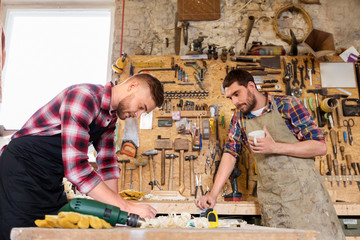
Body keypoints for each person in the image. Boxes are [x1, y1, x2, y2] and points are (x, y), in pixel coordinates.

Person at [0, 73, 164, 239]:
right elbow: (76, 169)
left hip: (49, 178)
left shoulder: (109, 117)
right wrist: (127, 207)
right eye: (141, 107)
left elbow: (108, 165)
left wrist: (117, 211)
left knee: (53, 231)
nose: (138, 115)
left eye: (144, 112)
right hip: (21, 171)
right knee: (20, 233)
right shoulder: (84, 97)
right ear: (132, 86)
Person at [195, 69, 345, 240]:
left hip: (306, 197)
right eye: (230, 98)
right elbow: (230, 153)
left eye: (237, 94)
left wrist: (275, 147)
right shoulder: (239, 118)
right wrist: (213, 194)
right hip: (274, 201)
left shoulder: (287, 104)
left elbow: (319, 147)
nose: (235, 102)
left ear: (251, 86)